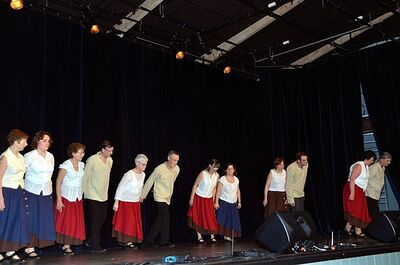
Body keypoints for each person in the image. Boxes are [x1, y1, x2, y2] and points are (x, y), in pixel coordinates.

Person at [23, 130, 56, 258]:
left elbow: (50, 175)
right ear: (37, 141)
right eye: (44, 140)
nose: (47, 143)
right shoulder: (30, 156)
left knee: (43, 220)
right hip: (31, 191)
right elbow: (22, 172)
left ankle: (38, 244)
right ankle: (29, 247)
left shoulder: (50, 156)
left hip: (46, 191)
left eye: (48, 141)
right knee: (31, 219)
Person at [0, 129, 30, 262]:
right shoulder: (5, 157)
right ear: (17, 142)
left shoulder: (21, 157)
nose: (26, 144)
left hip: (18, 192)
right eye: (24, 141)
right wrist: (0, 199)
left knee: (16, 221)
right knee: (4, 222)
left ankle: (11, 250)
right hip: (7, 192)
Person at [140, 150, 180, 247]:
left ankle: (149, 240)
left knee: (160, 219)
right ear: (168, 158)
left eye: (177, 160)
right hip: (159, 195)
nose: (175, 162)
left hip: (167, 196)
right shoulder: (159, 169)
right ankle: (164, 241)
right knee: (166, 216)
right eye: (174, 160)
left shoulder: (177, 169)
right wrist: (143, 195)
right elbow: (150, 181)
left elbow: (172, 181)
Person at [82, 140, 114, 252]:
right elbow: (85, 176)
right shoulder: (92, 159)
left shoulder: (110, 160)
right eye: (109, 150)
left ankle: (90, 240)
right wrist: (83, 193)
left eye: (112, 150)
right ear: (102, 149)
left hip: (103, 194)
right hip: (91, 193)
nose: (111, 152)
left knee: (102, 218)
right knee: (96, 219)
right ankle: (95, 246)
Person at [54, 142, 86, 255]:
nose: (83, 154)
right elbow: (58, 182)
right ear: (73, 153)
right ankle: (65, 245)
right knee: (66, 222)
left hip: (77, 197)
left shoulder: (82, 165)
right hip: (66, 197)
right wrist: (59, 199)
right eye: (80, 152)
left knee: (74, 222)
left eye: (83, 152)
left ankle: (69, 243)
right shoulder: (66, 165)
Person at [112, 154, 148, 249]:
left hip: (135, 202)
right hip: (125, 201)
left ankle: (129, 241)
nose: (144, 166)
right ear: (137, 163)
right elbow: (120, 188)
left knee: (133, 223)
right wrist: (116, 202)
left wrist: (141, 196)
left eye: (146, 164)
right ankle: (126, 241)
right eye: (143, 164)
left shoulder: (143, 175)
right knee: (128, 222)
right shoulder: (129, 174)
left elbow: (141, 187)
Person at [343, 150, 376, 238]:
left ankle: (351, 228)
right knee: (355, 210)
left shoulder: (366, 166)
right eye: (372, 159)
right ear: (368, 158)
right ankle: (356, 230)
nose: (372, 161)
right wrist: (352, 194)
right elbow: (352, 179)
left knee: (359, 210)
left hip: (360, 190)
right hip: (353, 188)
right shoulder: (359, 165)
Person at [187, 159, 220, 244]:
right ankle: (199, 236)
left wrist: (213, 201)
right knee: (198, 216)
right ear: (210, 165)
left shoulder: (217, 176)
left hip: (208, 198)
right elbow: (195, 185)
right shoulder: (203, 173)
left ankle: (212, 236)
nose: (216, 169)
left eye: (217, 167)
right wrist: (191, 198)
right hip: (199, 197)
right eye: (214, 167)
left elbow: (214, 189)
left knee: (211, 216)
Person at [214, 163, 241, 242]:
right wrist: (216, 202)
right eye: (228, 169)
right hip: (224, 201)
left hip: (233, 202)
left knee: (232, 219)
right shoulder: (222, 179)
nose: (230, 170)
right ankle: (224, 236)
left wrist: (239, 201)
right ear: (226, 170)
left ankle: (228, 236)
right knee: (223, 219)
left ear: (234, 170)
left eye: (232, 169)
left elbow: (238, 191)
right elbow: (218, 192)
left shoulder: (236, 179)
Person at [365, 152, 392, 221]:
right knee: (374, 214)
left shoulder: (383, 168)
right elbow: (367, 179)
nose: (389, 163)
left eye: (389, 161)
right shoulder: (374, 167)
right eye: (387, 161)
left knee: (373, 214)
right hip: (370, 194)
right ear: (382, 159)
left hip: (375, 195)